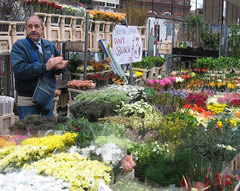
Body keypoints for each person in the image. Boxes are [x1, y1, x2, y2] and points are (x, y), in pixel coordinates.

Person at [11, 15, 68, 120]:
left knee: (47, 133)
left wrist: (59, 68)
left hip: (46, 100)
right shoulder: (19, 46)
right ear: (25, 28)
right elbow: (20, 70)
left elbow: (56, 68)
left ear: (42, 29)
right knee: (30, 134)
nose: (33, 29)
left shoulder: (50, 45)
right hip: (28, 102)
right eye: (30, 26)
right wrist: (46, 66)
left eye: (36, 26)